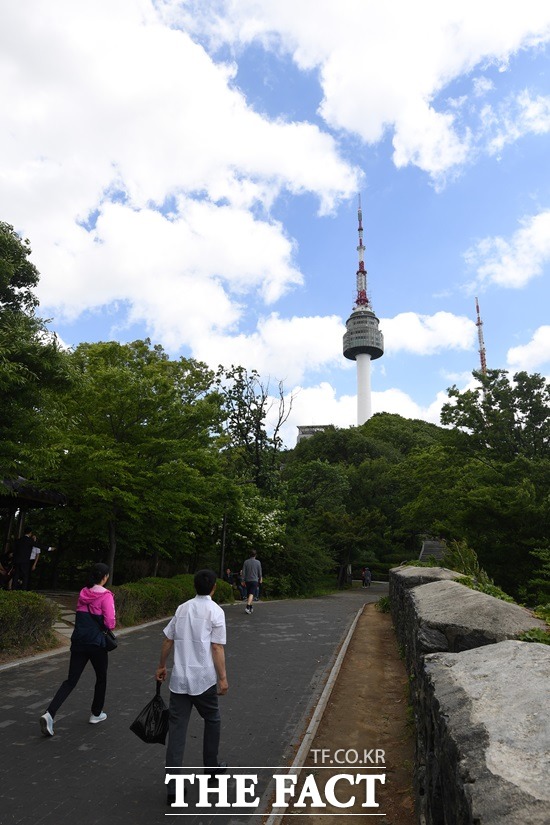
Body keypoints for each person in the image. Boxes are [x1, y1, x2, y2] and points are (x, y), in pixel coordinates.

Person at [156, 569, 228, 806]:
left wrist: (162, 666)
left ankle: (173, 788)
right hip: (204, 679)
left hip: (180, 680)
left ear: (194, 586)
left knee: (177, 730)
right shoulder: (216, 611)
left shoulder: (182, 608)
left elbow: (168, 639)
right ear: (214, 587)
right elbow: (217, 648)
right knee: (213, 719)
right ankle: (212, 768)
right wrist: (223, 678)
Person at [39, 562, 116, 736]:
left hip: (79, 642)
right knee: (101, 678)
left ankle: (49, 713)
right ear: (104, 577)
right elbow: (110, 623)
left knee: (70, 681)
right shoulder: (106, 596)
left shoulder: (83, 593)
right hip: (97, 644)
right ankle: (96, 714)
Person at [242, 550, 262, 615]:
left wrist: (243, 580)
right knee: (252, 593)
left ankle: (251, 607)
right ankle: (248, 606)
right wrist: (260, 578)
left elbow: (244, 572)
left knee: (249, 594)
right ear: (255, 555)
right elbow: (259, 571)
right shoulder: (258, 562)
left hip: (247, 580)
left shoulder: (246, 562)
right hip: (254, 580)